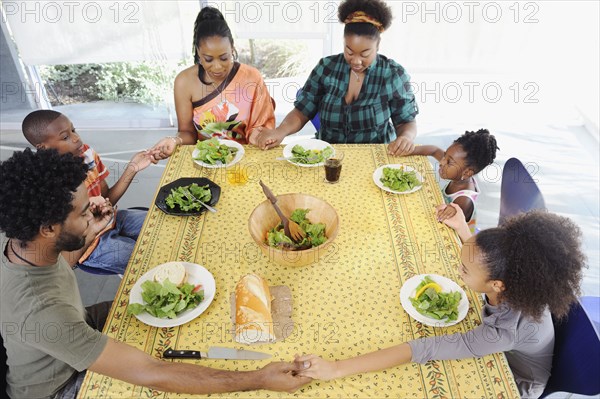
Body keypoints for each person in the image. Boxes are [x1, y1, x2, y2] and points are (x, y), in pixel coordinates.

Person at [0, 149, 310, 398]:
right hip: (61, 386)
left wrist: (87, 231)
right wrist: (259, 378)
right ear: (49, 228)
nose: (92, 211)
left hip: (77, 324)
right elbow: (152, 373)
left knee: (192, 314)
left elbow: (60, 267)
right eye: (82, 212)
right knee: (169, 378)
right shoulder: (40, 313)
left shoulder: (28, 245)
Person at [294, 205, 585, 398]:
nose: (458, 271)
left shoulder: (502, 333)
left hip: (516, 380)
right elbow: (485, 257)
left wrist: (336, 368)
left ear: (497, 285)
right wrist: (462, 228)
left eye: (464, 270)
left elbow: (426, 347)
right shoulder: (514, 276)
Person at [255, 0, 418, 154]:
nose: (356, 61)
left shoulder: (392, 74)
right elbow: (302, 111)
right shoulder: (326, 67)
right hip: (325, 155)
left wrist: (405, 138)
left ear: (377, 46)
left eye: (365, 54)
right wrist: (280, 131)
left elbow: (405, 121)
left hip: (373, 159)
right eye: (349, 51)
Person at [22, 110, 154, 274]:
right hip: (90, 244)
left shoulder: (86, 155)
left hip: (111, 220)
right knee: (150, 260)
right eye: (65, 137)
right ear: (43, 147)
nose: (76, 138)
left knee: (159, 226)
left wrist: (132, 168)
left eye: (73, 130)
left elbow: (108, 199)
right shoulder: (44, 185)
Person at [149, 6, 276, 160]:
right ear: (198, 53)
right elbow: (187, 133)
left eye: (224, 58)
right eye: (208, 59)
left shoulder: (251, 77)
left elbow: (263, 125)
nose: (217, 67)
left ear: (232, 49)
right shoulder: (184, 82)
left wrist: (259, 135)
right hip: (207, 160)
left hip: (248, 158)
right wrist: (174, 140)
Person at [410, 129, 498, 230]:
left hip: (459, 240)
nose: (442, 162)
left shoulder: (463, 201)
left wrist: (452, 210)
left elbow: (446, 226)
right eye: (444, 156)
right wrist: (409, 150)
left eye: (449, 162)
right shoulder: (460, 171)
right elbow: (434, 150)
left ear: (466, 173)